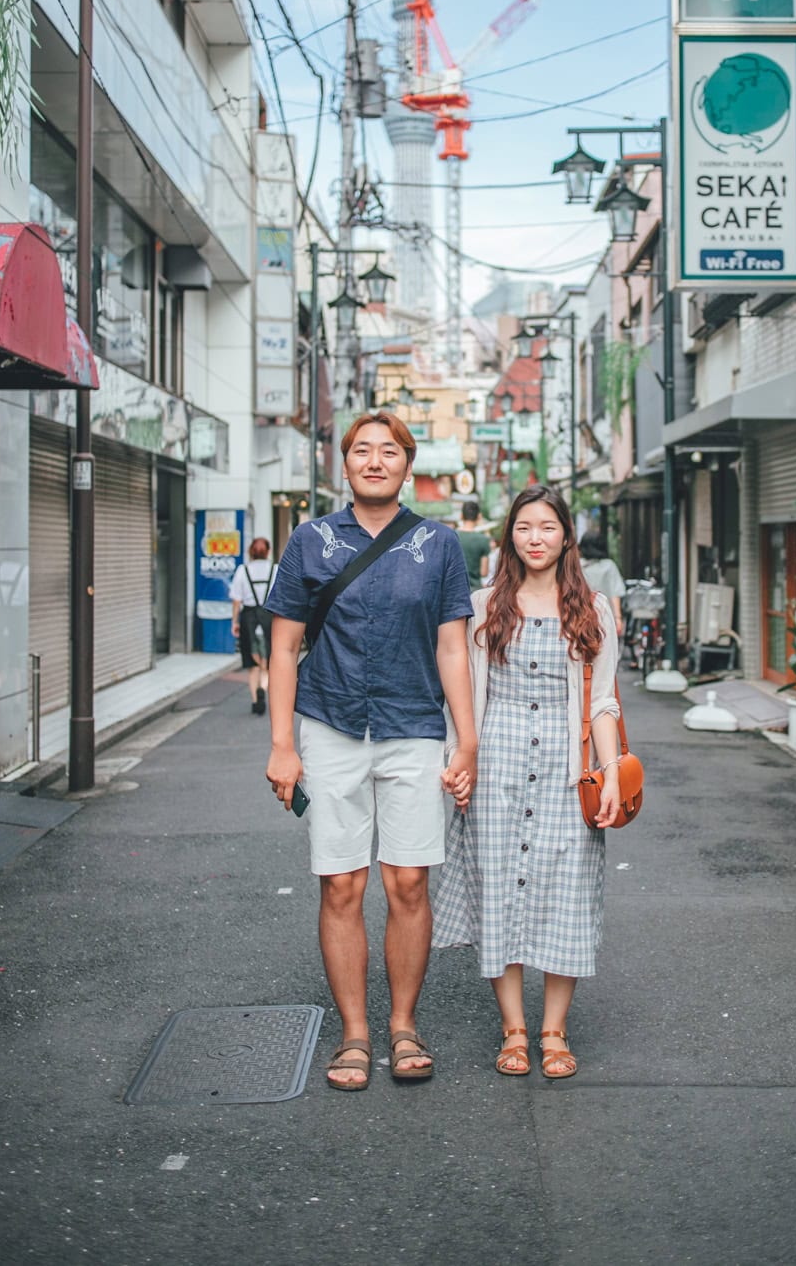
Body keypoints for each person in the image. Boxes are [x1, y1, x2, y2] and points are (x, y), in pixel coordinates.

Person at [264, 412, 478, 1091]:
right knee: (341, 883)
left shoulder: (439, 544)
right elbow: (283, 648)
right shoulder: (311, 540)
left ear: (408, 466)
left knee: (408, 882)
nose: (375, 460)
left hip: (413, 726)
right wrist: (281, 746)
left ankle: (404, 1024)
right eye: (363, 450)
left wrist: (467, 739)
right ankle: (354, 1033)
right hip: (330, 727)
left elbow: (452, 647)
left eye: (390, 451)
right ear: (346, 463)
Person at [433, 484, 621, 1081]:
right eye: (523, 527)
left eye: (547, 527)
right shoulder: (483, 605)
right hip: (498, 768)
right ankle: (514, 1027)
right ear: (509, 535)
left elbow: (603, 702)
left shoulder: (594, 609)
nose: (535, 538)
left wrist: (610, 773)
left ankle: (553, 1030)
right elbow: (462, 696)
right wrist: (460, 759)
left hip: (568, 770)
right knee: (499, 892)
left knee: (567, 893)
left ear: (566, 535)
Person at [230, 537, 277, 715]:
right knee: (267, 662)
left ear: (250, 552)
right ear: (268, 552)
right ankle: (263, 688)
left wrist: (234, 621)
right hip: (268, 618)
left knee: (252, 664)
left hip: (248, 618)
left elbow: (236, 600)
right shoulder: (275, 569)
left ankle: (255, 701)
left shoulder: (243, 570)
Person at [579, 530, 627, 637]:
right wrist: (618, 618)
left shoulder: (577, 565)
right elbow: (615, 593)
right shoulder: (609, 566)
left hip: (580, 617)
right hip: (604, 618)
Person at [456, 499, 492, 589]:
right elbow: (484, 572)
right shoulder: (483, 540)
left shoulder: (452, 536)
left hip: (455, 589)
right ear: (479, 516)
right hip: (475, 590)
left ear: (461, 516)